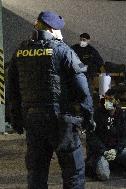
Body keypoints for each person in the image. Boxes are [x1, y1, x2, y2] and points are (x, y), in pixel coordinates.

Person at [7, 11, 95, 188]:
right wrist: (88, 116)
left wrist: (15, 117)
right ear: (53, 29)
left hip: (33, 121)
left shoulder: (20, 52)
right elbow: (83, 88)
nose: (61, 34)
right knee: (73, 172)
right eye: (59, 30)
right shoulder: (63, 51)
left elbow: (12, 89)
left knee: (36, 173)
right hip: (61, 121)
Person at [85, 90, 126, 181]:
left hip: (116, 150)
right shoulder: (97, 114)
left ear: (117, 101)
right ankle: (94, 164)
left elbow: (125, 136)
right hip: (101, 152)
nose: (108, 102)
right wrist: (103, 151)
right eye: (106, 99)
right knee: (103, 176)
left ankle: (114, 164)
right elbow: (92, 137)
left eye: (111, 100)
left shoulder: (122, 115)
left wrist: (116, 150)